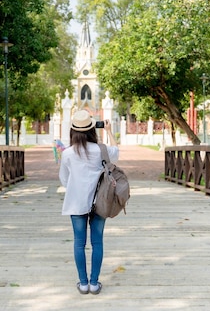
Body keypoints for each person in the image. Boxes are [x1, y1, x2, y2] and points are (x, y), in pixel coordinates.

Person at [59, 110, 118, 295]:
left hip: (76, 203)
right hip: (100, 202)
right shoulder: (101, 150)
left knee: (79, 243)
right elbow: (116, 153)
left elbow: (64, 179)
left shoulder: (67, 153)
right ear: (93, 129)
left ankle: (83, 284)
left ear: (73, 131)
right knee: (97, 242)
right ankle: (94, 283)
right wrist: (109, 131)